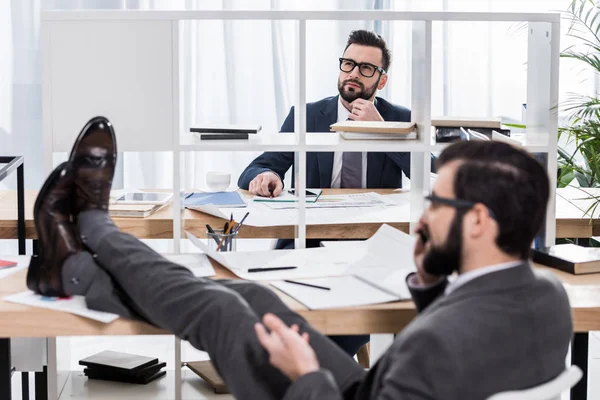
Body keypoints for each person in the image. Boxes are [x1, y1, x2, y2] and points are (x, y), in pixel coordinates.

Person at [28, 117, 572, 400]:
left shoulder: (439, 343)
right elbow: (459, 356)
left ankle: (89, 228)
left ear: (478, 220)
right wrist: (429, 284)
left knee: (216, 311)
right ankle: (71, 267)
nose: (425, 213)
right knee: (253, 296)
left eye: (436, 199)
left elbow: (445, 351)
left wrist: (306, 374)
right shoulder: (547, 298)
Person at [238, 29, 424, 356]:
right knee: (261, 296)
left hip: (372, 244)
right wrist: (266, 175)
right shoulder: (307, 115)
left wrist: (382, 131)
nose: (354, 73)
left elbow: (427, 173)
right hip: (309, 239)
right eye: (348, 64)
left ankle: (313, 361)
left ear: (381, 81)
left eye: (366, 68)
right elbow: (257, 167)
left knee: (383, 293)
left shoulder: (399, 119)